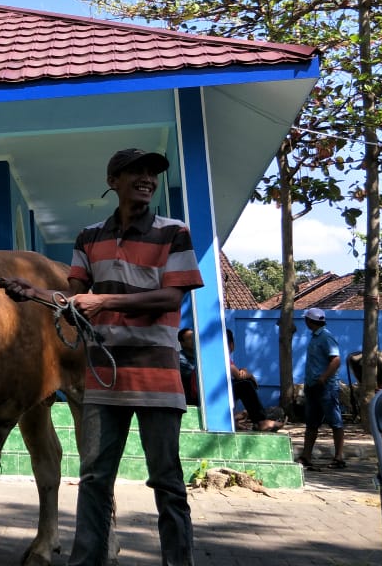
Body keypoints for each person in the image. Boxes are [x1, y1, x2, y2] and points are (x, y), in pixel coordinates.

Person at [66, 148, 203, 566]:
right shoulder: (88, 237)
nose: (147, 178)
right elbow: (74, 298)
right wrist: (32, 292)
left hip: (158, 379)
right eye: (135, 172)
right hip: (103, 378)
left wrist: (102, 300)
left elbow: (171, 297)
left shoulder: (174, 232)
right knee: (93, 479)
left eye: (152, 173)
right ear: (113, 181)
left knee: (167, 481)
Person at [297, 307, 345, 470]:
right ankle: (306, 456)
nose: (305, 322)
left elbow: (336, 360)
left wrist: (323, 378)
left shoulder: (326, 337)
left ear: (310, 321)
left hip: (326, 387)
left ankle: (339, 457)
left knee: (335, 422)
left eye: (306, 320)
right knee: (311, 423)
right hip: (313, 386)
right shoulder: (315, 337)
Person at [226, 328, 282, 432]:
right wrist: (250, 375)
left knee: (240, 383)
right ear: (231, 345)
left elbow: (237, 373)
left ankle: (234, 420)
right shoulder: (222, 356)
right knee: (245, 385)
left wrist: (243, 371)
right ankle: (260, 421)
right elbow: (238, 375)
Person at [178, 328, 199, 405]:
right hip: (189, 399)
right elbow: (196, 374)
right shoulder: (179, 358)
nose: (194, 340)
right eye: (190, 338)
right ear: (182, 343)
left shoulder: (200, 356)